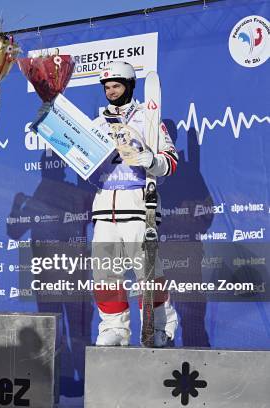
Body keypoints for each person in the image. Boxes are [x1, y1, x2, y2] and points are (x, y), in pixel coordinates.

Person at [89, 61, 179, 346]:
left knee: (148, 272)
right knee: (105, 272)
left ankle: (160, 326)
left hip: (139, 204)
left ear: (129, 86)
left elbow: (171, 161)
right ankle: (114, 328)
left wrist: (154, 161)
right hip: (104, 207)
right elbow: (84, 162)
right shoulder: (98, 123)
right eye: (107, 87)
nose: (111, 92)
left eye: (116, 86)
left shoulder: (148, 118)